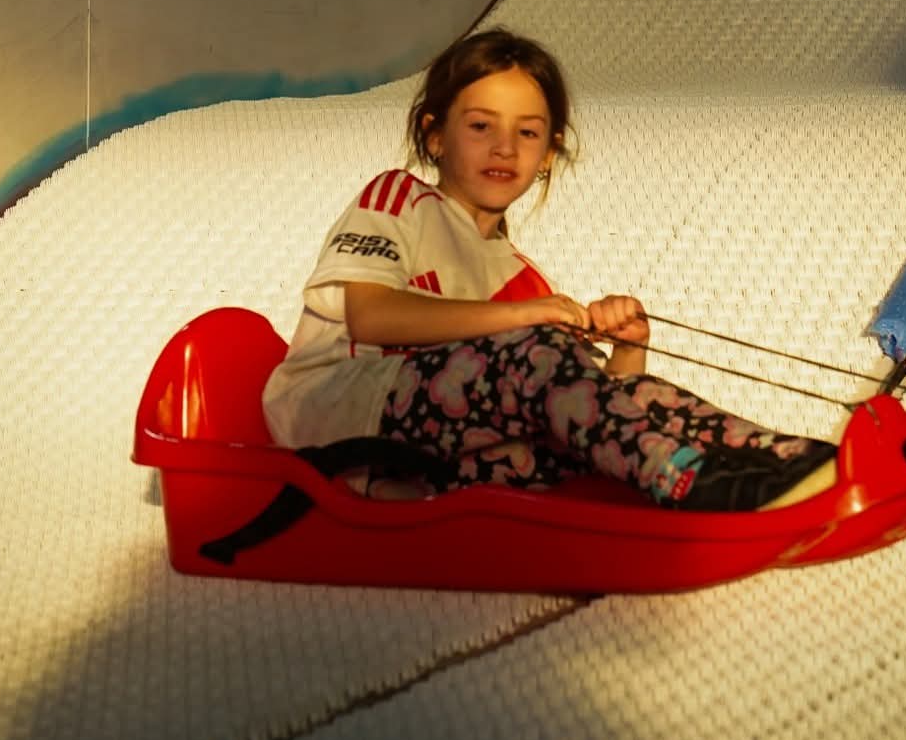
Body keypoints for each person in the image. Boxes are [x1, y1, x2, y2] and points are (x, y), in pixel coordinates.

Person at [261, 28, 839, 512]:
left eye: (528, 133)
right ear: (435, 136)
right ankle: (687, 481)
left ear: (548, 152)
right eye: (481, 126)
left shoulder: (522, 279)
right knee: (536, 352)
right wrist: (526, 317)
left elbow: (588, 405)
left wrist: (627, 348)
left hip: (427, 472)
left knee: (628, 396)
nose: (505, 148)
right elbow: (371, 317)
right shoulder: (400, 201)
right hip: (343, 428)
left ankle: (791, 464)